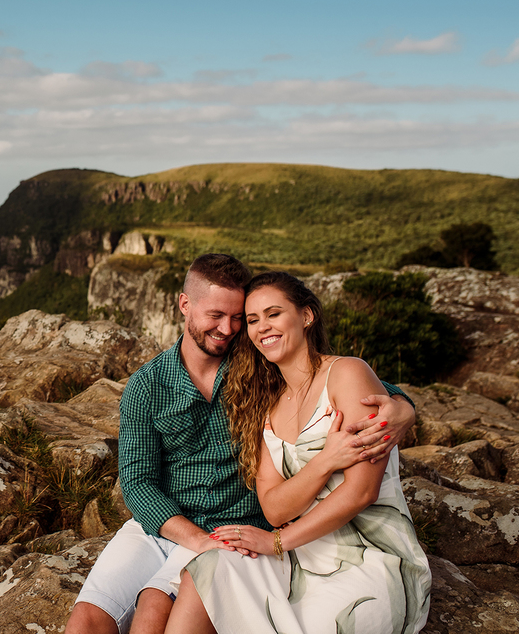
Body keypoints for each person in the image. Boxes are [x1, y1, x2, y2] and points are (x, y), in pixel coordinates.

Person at [65, 255, 417, 634]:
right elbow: (137, 483)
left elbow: (342, 382)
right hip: (165, 526)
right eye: (216, 315)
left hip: (234, 527)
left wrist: (404, 408)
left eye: (238, 318)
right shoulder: (147, 385)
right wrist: (196, 539)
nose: (228, 328)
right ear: (185, 305)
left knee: (152, 610)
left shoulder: (258, 365)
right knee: (86, 620)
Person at [162, 271, 430, 633]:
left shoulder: (347, 374)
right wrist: (325, 461)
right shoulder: (268, 408)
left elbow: (362, 491)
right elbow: (273, 507)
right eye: (253, 320)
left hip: (367, 556)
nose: (262, 328)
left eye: (273, 314)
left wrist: (277, 542)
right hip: (300, 555)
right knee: (211, 568)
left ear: (306, 316)